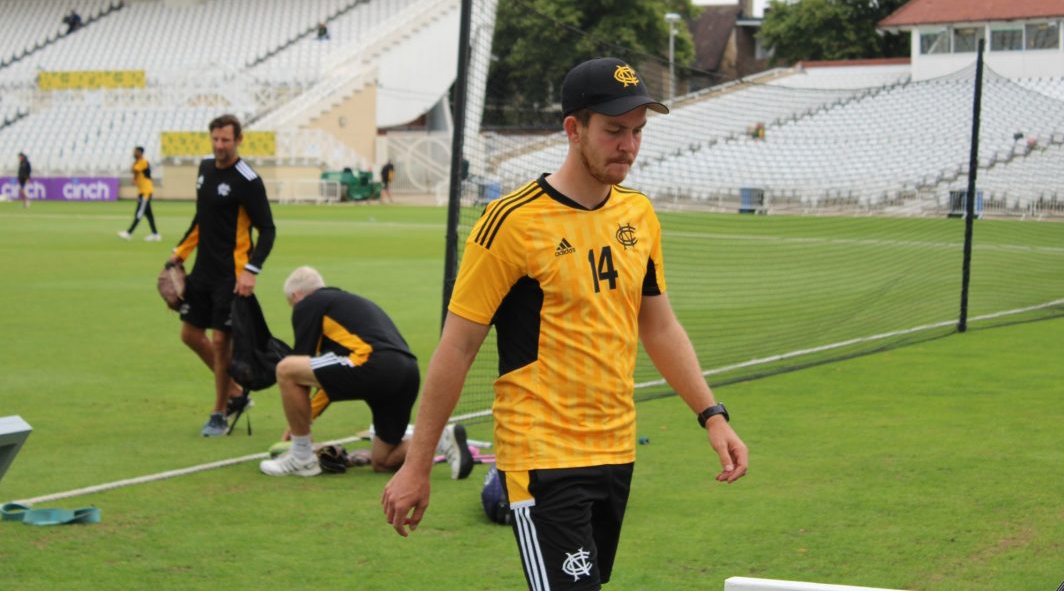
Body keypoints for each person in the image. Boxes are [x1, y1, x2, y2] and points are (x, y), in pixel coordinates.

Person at [381, 58, 749, 590]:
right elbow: (457, 349)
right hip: (542, 457)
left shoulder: (639, 216)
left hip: (617, 450)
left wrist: (713, 416)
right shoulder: (510, 222)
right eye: (614, 130)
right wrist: (417, 465)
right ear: (573, 129)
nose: (629, 145)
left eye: (638, 132)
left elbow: (660, 327)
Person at [259, 266, 470, 478]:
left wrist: (299, 432)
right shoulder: (345, 305)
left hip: (374, 364)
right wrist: (306, 418)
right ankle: (441, 439)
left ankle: (301, 459)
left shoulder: (307, 304)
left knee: (286, 369)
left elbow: (301, 370)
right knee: (383, 460)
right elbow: (327, 376)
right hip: (407, 372)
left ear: (296, 296)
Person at [167, 114, 276, 437]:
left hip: (231, 274)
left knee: (220, 341)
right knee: (189, 335)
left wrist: (251, 271)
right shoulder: (204, 169)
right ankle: (235, 391)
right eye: (215, 139)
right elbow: (201, 220)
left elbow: (267, 230)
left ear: (239, 140)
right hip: (203, 270)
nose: (219, 146)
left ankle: (218, 413)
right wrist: (178, 254)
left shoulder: (248, 179)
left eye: (226, 140)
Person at [118, 146, 160, 241]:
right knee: (149, 214)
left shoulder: (143, 162)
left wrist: (134, 173)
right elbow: (135, 173)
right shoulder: (138, 162)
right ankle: (155, 234)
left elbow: (135, 170)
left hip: (146, 192)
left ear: (140, 153)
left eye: (136, 152)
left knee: (139, 212)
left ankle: (129, 233)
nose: (134, 153)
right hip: (142, 192)